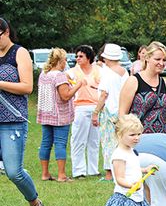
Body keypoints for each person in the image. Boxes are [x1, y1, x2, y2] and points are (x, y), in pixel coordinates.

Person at [0, 17, 43, 206]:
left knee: (14, 172)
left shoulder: (20, 53)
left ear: (6, 32)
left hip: (12, 120)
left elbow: (27, 87)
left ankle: (35, 203)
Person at [37, 48, 82, 182]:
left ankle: (45, 174)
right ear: (60, 61)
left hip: (46, 112)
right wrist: (78, 85)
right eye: (65, 60)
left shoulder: (44, 74)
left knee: (46, 143)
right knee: (60, 144)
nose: (66, 63)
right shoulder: (59, 76)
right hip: (59, 115)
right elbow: (65, 96)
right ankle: (62, 175)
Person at [118, 41, 166, 134]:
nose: (161, 63)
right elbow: (122, 114)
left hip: (161, 138)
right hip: (139, 138)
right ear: (147, 58)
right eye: (157, 59)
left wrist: (159, 113)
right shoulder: (134, 81)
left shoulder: (165, 84)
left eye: (164, 60)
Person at [92, 43, 129, 181]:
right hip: (123, 110)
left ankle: (109, 174)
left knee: (108, 142)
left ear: (107, 58)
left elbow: (103, 95)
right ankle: (121, 171)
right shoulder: (125, 72)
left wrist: (96, 112)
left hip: (109, 111)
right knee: (121, 141)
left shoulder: (107, 73)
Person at [67, 45, 101, 179]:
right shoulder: (71, 72)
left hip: (96, 107)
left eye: (81, 56)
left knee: (94, 140)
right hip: (80, 107)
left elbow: (103, 87)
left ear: (89, 57)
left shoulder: (98, 71)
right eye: (77, 56)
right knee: (78, 140)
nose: (78, 58)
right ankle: (79, 170)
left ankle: (93, 169)